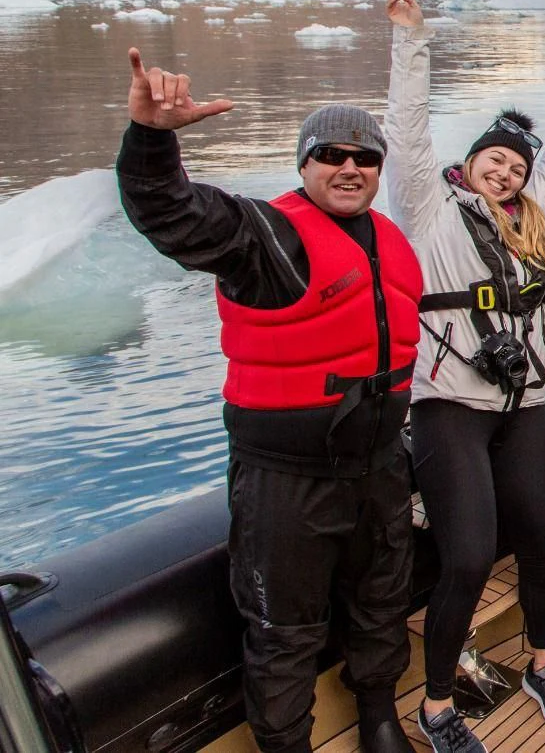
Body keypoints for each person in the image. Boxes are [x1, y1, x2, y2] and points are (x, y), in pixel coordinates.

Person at [117, 50, 419, 753]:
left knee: (381, 605)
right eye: (331, 155)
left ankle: (378, 719)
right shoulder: (268, 237)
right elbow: (173, 215)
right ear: (303, 164)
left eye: (365, 157)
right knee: (284, 633)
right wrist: (152, 140)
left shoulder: (388, 239)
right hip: (288, 482)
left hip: (376, 468)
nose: (350, 168)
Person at [382, 0, 545, 747]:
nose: (506, 174)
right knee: (468, 556)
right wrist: (411, 42)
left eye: (515, 167)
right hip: (448, 407)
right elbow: (405, 135)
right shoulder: (430, 213)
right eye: (493, 161)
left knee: (541, 536)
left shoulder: (529, 221)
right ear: (469, 164)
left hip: (525, 403)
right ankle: (437, 707)